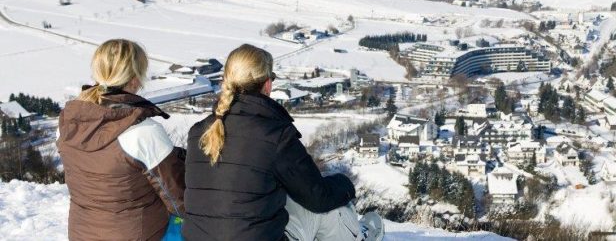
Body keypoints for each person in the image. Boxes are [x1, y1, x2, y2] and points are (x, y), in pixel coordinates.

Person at [184, 44, 383, 241]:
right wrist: (345, 184)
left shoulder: (198, 134)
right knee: (330, 207)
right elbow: (319, 197)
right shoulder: (274, 136)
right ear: (267, 84)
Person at [57, 39, 186, 241]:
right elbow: (179, 200)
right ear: (135, 79)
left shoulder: (69, 124)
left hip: (82, 234)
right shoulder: (143, 132)